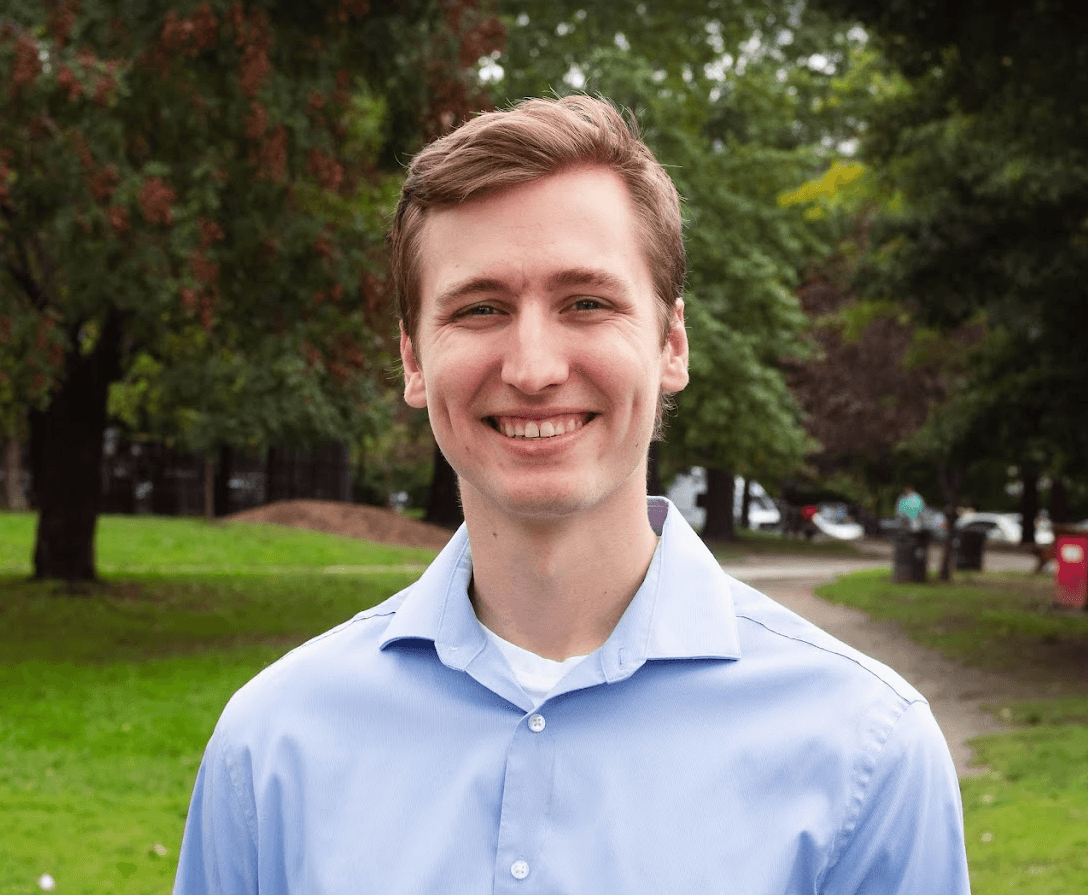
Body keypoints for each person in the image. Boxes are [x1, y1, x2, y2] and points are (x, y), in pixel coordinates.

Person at [173, 96, 970, 893]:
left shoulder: (867, 750)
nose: (533, 367)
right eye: (481, 308)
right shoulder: (270, 747)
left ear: (672, 343)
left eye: (586, 302)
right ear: (414, 362)